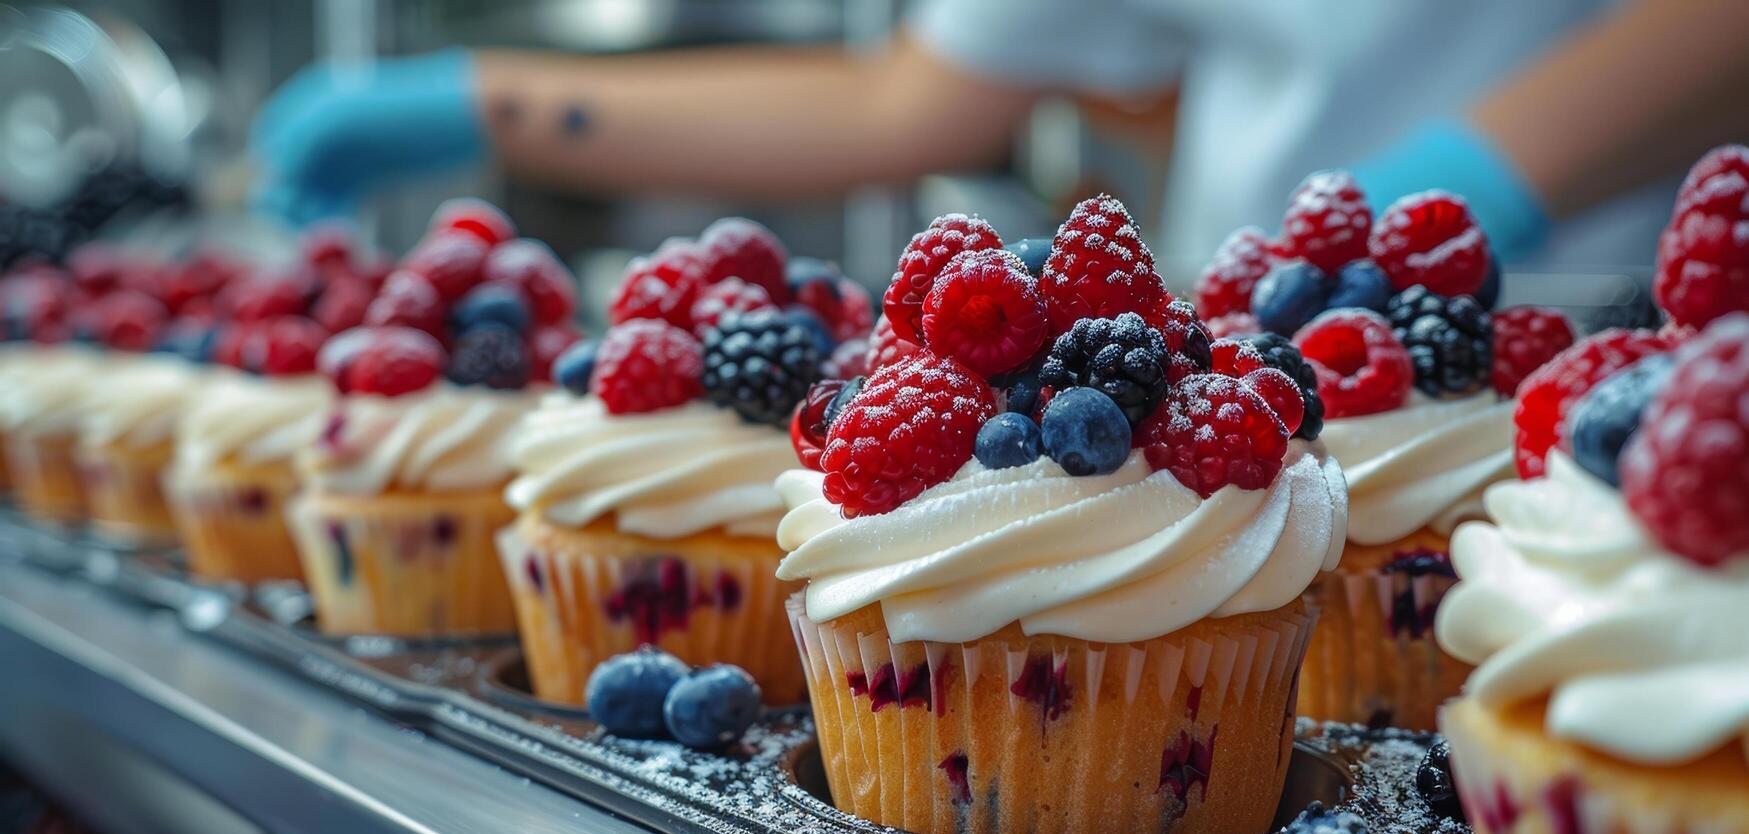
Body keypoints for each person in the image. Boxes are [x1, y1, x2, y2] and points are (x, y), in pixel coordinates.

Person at [252, 0, 1749, 269]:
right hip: (1272, 368)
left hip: (1622, 336)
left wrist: (1488, 176)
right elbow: (902, 103)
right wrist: (490, 101)